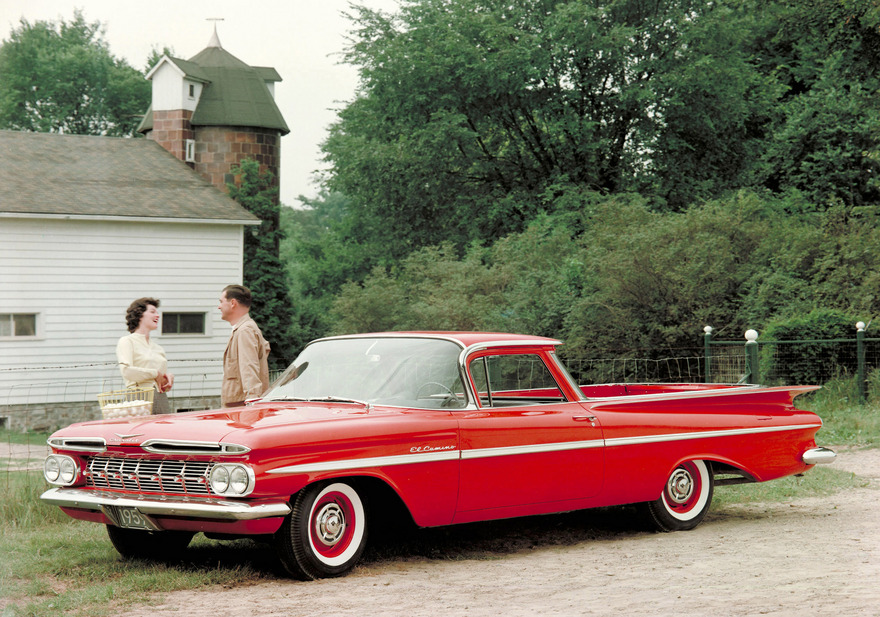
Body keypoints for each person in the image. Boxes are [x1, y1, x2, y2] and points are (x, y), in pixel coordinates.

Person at [116, 297, 174, 414]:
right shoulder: (127, 341)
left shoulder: (158, 348)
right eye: (152, 312)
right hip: (137, 398)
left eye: (157, 312)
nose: (157, 315)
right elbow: (126, 371)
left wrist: (167, 379)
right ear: (139, 314)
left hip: (161, 398)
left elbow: (159, 383)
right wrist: (155, 373)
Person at [218, 284, 271, 406]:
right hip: (237, 403)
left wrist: (252, 400)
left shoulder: (244, 331)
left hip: (240, 407)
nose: (219, 307)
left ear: (233, 303)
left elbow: (249, 365)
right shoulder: (245, 329)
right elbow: (265, 348)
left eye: (221, 302)